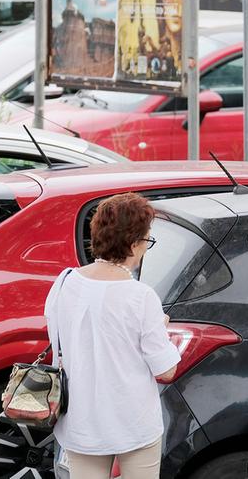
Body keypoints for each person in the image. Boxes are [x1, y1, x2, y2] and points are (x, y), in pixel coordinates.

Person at [44, 193, 180, 479]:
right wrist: (161, 328)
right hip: (133, 422)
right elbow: (166, 371)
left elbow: (63, 339)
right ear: (133, 244)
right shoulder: (141, 296)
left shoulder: (65, 281)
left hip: (80, 418)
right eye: (147, 241)